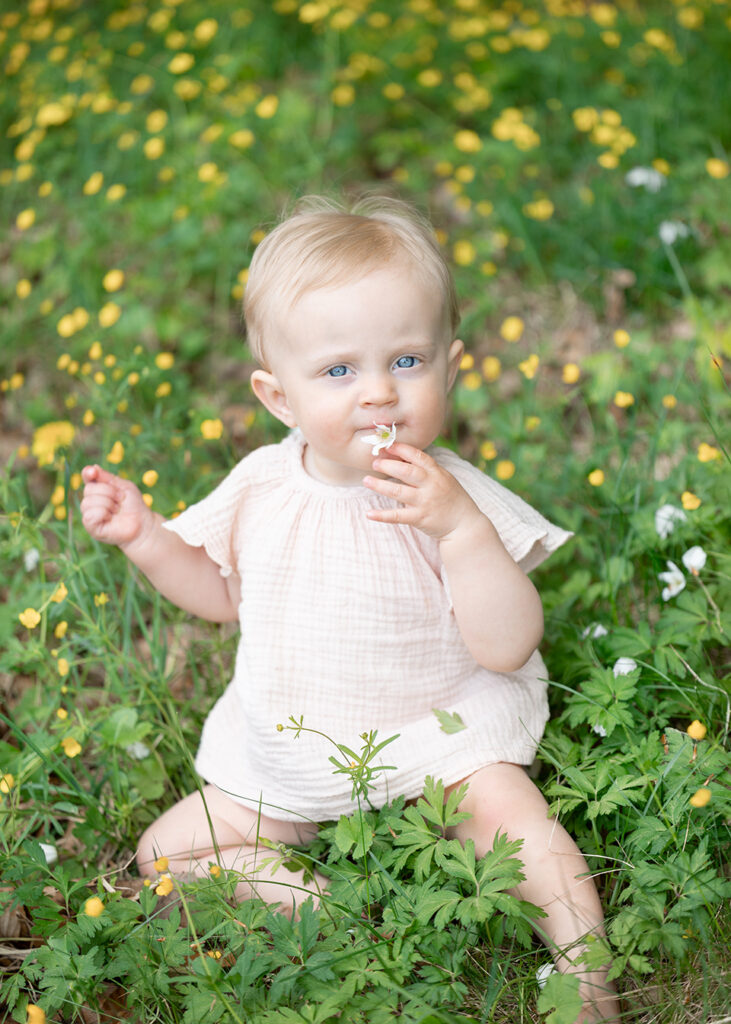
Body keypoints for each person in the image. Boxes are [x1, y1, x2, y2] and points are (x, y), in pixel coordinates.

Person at [80, 195, 619, 1021]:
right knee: (167, 850)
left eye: (406, 360)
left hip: (443, 738)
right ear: (278, 395)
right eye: (338, 371)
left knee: (517, 819)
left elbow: (507, 645)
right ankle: (323, 905)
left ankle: (586, 983)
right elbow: (222, 597)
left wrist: (462, 533)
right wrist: (146, 538)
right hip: (293, 754)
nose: (377, 394)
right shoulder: (261, 486)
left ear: (451, 364)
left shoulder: (452, 497)